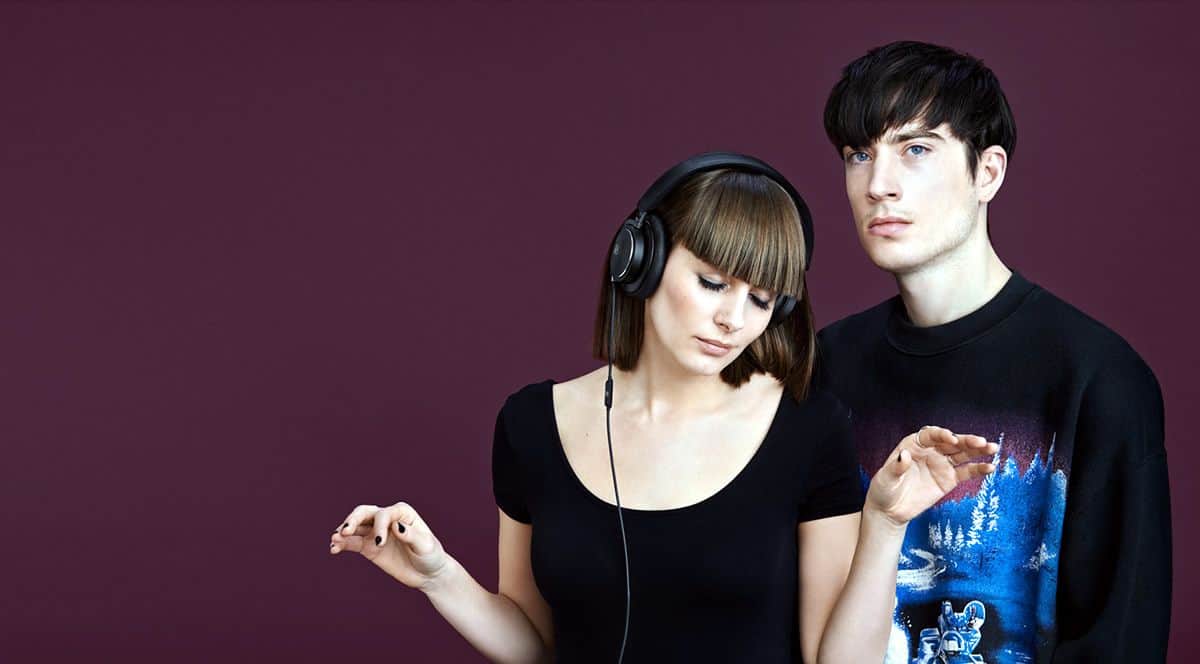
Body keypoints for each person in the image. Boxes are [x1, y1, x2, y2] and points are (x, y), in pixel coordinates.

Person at [329, 152, 999, 663]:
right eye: (712, 282)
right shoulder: (530, 427)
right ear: (639, 262)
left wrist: (882, 523)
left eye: (761, 300)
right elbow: (537, 643)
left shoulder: (805, 426)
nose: (734, 320)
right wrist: (439, 577)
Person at [815, 41, 1172, 662]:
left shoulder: (1098, 376)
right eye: (858, 155)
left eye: (916, 150)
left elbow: (1120, 639)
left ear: (988, 173)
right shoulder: (824, 366)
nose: (878, 185)